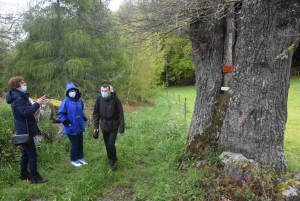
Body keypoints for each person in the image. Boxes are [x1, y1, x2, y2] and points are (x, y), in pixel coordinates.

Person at [6, 76, 48, 184]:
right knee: (32, 153)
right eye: (22, 83)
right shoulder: (18, 98)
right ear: (17, 86)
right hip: (25, 130)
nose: (25, 84)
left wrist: (37, 103)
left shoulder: (19, 96)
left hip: (24, 128)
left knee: (25, 152)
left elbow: (28, 109)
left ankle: (24, 174)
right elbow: (26, 112)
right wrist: (37, 103)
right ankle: (35, 177)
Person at [93, 84, 125, 170]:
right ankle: (110, 158)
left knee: (111, 144)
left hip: (114, 125)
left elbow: (120, 114)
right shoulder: (99, 99)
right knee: (107, 144)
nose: (103, 93)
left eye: (105, 91)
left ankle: (114, 160)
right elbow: (96, 113)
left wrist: (121, 127)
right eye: (102, 91)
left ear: (110, 91)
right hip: (104, 125)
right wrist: (96, 127)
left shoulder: (115, 100)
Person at [58, 82, 88, 167]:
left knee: (80, 142)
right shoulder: (65, 102)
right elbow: (60, 114)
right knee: (75, 143)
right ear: (68, 92)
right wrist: (66, 121)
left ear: (76, 91)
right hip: (71, 126)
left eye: (73, 90)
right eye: (70, 91)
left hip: (79, 125)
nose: (72, 92)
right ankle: (73, 160)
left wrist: (84, 117)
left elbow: (80, 111)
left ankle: (80, 157)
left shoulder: (79, 101)